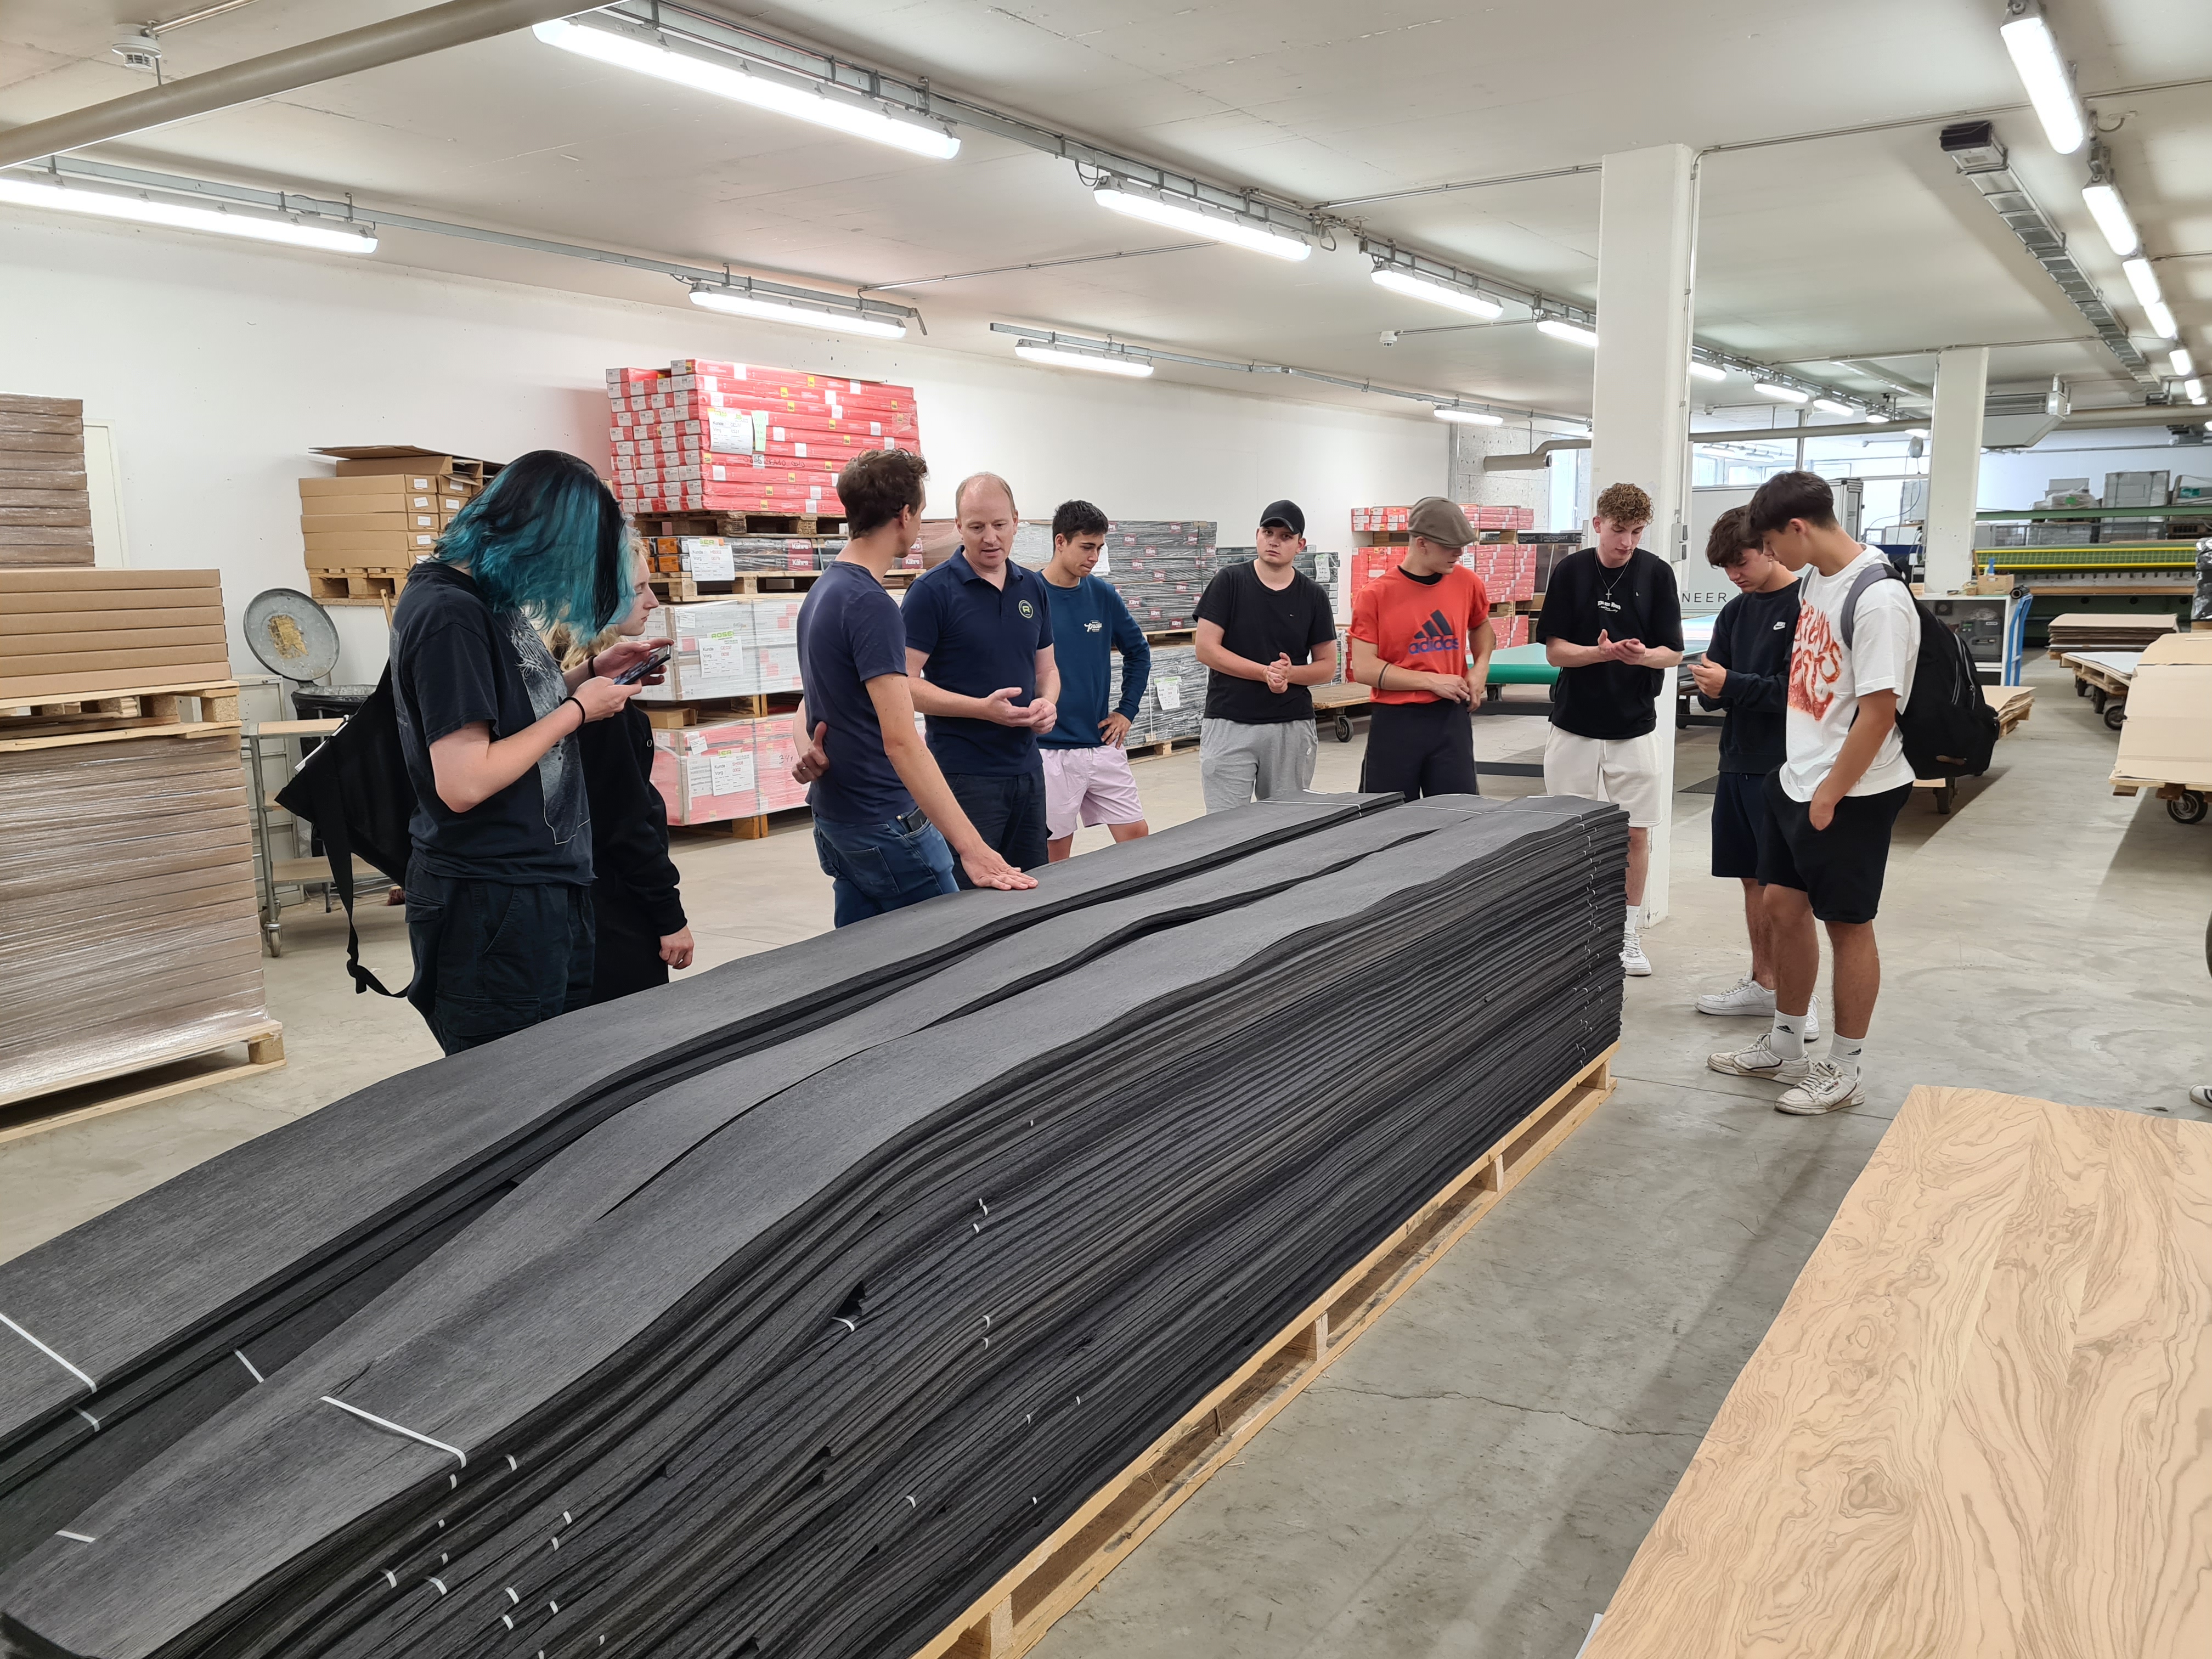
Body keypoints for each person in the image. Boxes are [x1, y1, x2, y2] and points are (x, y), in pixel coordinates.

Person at [388, 449, 660, 1054]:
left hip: (538, 887)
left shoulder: (486, 598)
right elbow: (465, 780)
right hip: (493, 901)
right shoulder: (449, 616)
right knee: (513, 1088)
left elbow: (506, 714)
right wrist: (579, 712)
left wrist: (588, 672)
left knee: (558, 1069)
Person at [1709, 471, 1919, 1115]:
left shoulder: (1878, 598)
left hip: (1850, 790)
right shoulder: (1815, 584)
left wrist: (1830, 793)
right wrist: (1799, 783)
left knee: (1848, 926)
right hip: (1795, 779)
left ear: (1797, 527)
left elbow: (1880, 713)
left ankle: (1845, 1066)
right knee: (1781, 906)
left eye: (1773, 543)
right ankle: (1786, 1039)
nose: (1771, 558)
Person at [791, 449, 1035, 925]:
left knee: (866, 965)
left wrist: (805, 747)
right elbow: (902, 740)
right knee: (946, 961)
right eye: (921, 514)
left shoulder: (824, 592)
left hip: (837, 819)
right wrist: (973, 848)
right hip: (886, 820)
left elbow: (810, 700)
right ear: (904, 516)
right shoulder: (870, 603)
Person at [1536, 481, 1684, 976]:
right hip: (1575, 725)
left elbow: (1674, 652)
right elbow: (1556, 651)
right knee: (1568, 829)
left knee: (1636, 834)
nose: (1627, 542)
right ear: (1597, 524)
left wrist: (1643, 656)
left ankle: (1627, 934)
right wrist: (1600, 653)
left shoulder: (1657, 574)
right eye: (1619, 530)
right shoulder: (1572, 572)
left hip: (1635, 727)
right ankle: (1571, 930)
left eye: (1637, 532)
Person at [1689, 506, 1815, 1038]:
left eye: (1740, 562)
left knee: (1785, 888)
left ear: (1769, 547)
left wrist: (1733, 685)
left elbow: (1801, 692)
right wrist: (1711, 687)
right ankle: (1764, 984)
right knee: (1749, 877)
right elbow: (1719, 689)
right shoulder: (1736, 613)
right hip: (1737, 762)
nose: (1733, 575)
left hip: (1784, 768)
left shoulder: (1808, 606)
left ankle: (1798, 1004)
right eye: (1724, 568)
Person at [552, 543, 696, 1006]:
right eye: (639, 590)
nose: (653, 601)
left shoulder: (550, 677)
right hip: (612, 909)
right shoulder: (601, 709)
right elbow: (627, 823)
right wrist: (669, 917)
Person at [900, 471, 1061, 879]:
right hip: (963, 777)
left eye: (999, 525)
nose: (990, 537)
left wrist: (1048, 703)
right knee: (970, 900)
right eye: (976, 527)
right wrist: (980, 710)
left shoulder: (1033, 588)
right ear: (958, 527)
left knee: (1031, 885)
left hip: (1027, 769)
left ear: (1016, 521)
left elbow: (1048, 669)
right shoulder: (932, 592)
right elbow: (902, 685)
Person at [1194, 499, 1339, 810]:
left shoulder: (1313, 596)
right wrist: (1263, 673)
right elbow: (1206, 649)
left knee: (1286, 825)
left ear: (1300, 545)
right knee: (1224, 829)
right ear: (1257, 535)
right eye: (1268, 532)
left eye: (1285, 537)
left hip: (1290, 726)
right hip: (1230, 722)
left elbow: (1327, 666)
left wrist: (1290, 675)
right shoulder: (1229, 582)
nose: (1275, 541)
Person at [1348, 496, 1495, 800]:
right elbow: (1364, 667)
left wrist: (1481, 668)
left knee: (1459, 816)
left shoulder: (1467, 583)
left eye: (1462, 545)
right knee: (1386, 819)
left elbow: (1481, 627)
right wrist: (1431, 681)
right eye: (1449, 545)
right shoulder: (1376, 595)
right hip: (1397, 721)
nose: (1459, 553)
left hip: (1451, 719)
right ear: (1421, 543)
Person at [1036, 498, 1153, 861]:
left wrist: (1127, 711)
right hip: (1049, 751)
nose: (1093, 557)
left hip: (1102, 743)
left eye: (1099, 549)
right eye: (1087, 547)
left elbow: (1139, 652)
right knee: (1055, 854)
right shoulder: (1029, 596)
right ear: (1060, 542)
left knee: (1138, 838)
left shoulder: (1102, 595)